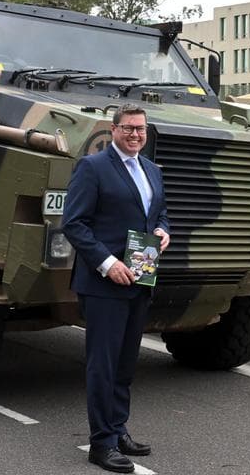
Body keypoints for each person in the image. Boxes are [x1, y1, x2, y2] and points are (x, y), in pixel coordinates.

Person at [62, 104, 171, 473]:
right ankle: (101, 444)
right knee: (103, 365)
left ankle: (118, 429)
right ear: (114, 130)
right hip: (104, 284)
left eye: (140, 128)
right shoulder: (92, 167)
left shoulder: (152, 170)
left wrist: (163, 231)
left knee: (125, 365)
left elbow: (158, 213)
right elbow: (74, 223)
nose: (135, 134)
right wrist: (108, 264)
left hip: (140, 278)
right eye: (128, 128)